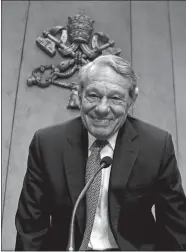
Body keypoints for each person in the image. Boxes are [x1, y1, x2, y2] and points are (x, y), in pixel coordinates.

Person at [15, 55, 186, 251]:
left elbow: (176, 226)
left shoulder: (156, 146)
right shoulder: (47, 144)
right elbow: (31, 226)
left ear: (131, 101)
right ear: (79, 95)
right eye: (93, 96)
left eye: (115, 98)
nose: (102, 109)